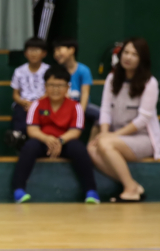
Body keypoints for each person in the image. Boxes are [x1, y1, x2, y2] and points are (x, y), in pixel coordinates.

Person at [89, 37, 160, 203]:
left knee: (105, 144)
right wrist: (105, 133)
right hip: (117, 137)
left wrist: (111, 137)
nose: (128, 57)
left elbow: (143, 119)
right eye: (126, 53)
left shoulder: (150, 83)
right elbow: (106, 110)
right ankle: (132, 185)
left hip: (143, 139)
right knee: (92, 149)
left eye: (134, 54)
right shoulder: (112, 78)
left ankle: (129, 190)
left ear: (142, 59)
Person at [11, 66, 99, 204]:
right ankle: (18, 190)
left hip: (65, 142)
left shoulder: (75, 106)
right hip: (43, 141)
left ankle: (91, 191)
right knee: (29, 147)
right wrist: (46, 139)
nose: (56, 89)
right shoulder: (37, 105)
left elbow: (75, 131)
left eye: (60, 85)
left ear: (67, 87)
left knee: (79, 149)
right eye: (51, 85)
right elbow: (32, 130)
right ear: (45, 86)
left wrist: (60, 140)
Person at [8, 37, 49, 148]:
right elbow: (15, 94)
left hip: (43, 105)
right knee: (19, 112)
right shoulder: (19, 71)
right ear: (25, 53)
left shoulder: (48, 70)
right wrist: (24, 102)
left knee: (45, 113)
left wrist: (35, 104)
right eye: (30, 50)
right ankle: (18, 135)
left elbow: (50, 92)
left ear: (44, 53)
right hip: (24, 104)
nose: (33, 53)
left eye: (37, 50)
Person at [52, 39, 98, 126]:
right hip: (62, 103)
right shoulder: (56, 71)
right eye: (54, 51)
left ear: (71, 50)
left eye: (59, 49)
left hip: (80, 103)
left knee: (101, 116)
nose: (56, 54)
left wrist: (80, 113)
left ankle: (92, 140)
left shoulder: (84, 70)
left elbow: (85, 94)